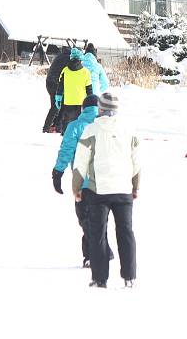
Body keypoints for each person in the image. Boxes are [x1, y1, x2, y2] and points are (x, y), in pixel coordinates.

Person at [72, 92, 140, 289]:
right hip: (123, 190)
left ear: (100, 109)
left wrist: (76, 187)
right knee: (126, 232)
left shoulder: (91, 130)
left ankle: (100, 278)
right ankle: (129, 277)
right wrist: (135, 186)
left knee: (98, 233)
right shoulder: (129, 130)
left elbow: (80, 162)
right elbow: (136, 161)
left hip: (97, 191)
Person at [52, 94, 114, 268]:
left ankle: (94, 255)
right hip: (105, 183)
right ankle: (99, 251)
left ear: (82, 109)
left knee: (85, 219)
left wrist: (57, 172)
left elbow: (66, 150)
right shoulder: (106, 127)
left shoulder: (75, 127)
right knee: (99, 219)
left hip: (84, 184)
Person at [56, 47, 92, 134]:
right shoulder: (86, 72)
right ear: (81, 58)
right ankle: (79, 139)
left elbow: (60, 86)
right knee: (80, 122)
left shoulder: (65, 71)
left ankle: (66, 137)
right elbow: (89, 89)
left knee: (67, 122)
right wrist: (91, 102)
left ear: (71, 57)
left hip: (68, 101)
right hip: (81, 102)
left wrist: (58, 97)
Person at [43, 46, 71, 133]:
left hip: (49, 82)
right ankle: (48, 128)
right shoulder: (68, 58)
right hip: (55, 83)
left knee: (56, 106)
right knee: (56, 107)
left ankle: (53, 126)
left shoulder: (59, 56)